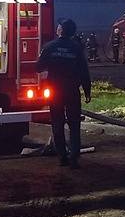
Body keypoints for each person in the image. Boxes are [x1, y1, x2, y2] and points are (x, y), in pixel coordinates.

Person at [37, 18, 93, 167]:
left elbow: (38, 67)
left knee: (57, 123)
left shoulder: (49, 47)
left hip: (55, 91)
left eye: (59, 26)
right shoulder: (76, 48)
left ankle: (62, 156)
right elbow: (84, 72)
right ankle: (74, 156)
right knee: (74, 124)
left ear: (61, 30)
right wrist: (87, 91)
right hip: (72, 91)